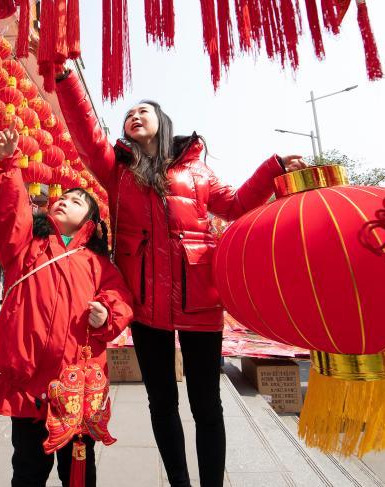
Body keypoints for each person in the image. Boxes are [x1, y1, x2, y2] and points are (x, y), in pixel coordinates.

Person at [54, 69, 306, 487]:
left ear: (161, 120)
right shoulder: (117, 171)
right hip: (145, 305)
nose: (134, 115)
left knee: (207, 405)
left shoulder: (198, 172)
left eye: (144, 111)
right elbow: (85, 133)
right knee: (162, 404)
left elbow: (240, 205)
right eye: (129, 113)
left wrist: (273, 167)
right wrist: (65, 79)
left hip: (201, 303)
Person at [0, 128, 134, 487]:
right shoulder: (25, 247)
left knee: (78, 474)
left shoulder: (98, 264)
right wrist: (8, 166)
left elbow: (121, 298)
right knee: (28, 471)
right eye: (62, 197)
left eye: (77, 201)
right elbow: (8, 213)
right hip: (29, 388)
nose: (64, 200)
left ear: (90, 223)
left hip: (77, 389)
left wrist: (107, 314)